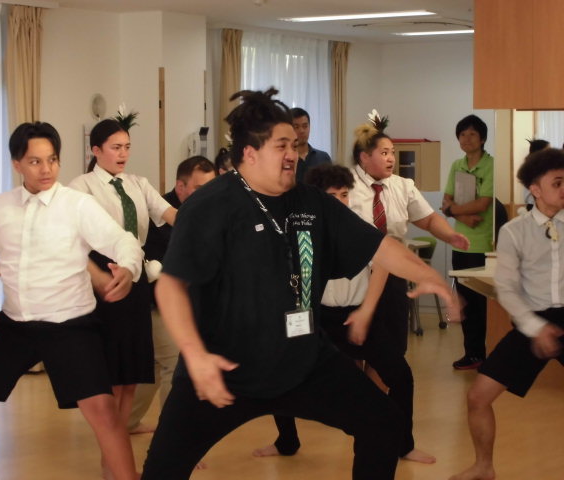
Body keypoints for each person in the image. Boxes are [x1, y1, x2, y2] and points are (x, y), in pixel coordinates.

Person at [140, 88, 459, 480]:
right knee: (162, 471)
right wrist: (195, 355)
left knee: (383, 423)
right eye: (282, 146)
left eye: (294, 144)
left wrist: (429, 275)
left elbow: (378, 246)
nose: (292, 153)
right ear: (250, 153)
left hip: (301, 363)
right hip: (222, 369)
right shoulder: (209, 207)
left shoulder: (311, 202)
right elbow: (170, 287)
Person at [258, 112, 469, 464]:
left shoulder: (358, 226)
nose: (341, 202)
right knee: (286, 375)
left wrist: (366, 312)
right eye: (333, 196)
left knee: (400, 375)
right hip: (318, 318)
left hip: (357, 313)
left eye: (345, 195)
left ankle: (402, 444)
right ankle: (287, 440)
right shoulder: (300, 229)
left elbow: (384, 262)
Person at [0, 122, 142, 480]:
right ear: (17, 164)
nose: (46, 169)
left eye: (52, 160)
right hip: (16, 324)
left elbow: (123, 241)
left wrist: (129, 269)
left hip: (71, 325)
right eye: (35, 161)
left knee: (104, 412)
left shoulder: (77, 205)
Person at [69, 118, 176, 475]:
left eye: (127, 147)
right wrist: (98, 276)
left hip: (136, 276)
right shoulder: (81, 186)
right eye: (115, 147)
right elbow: (73, 239)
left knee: (130, 376)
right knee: (113, 379)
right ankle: (112, 466)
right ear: (96, 150)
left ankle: (114, 465)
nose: (123, 154)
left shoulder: (137, 183)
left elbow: (170, 214)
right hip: (104, 278)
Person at [449, 148, 564, 480]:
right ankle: (484, 467)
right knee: (478, 397)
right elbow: (508, 288)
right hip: (534, 320)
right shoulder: (514, 231)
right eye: (557, 183)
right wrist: (535, 327)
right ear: (535, 189)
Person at [127, 155, 215, 435]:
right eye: (199, 188)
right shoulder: (158, 215)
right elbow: (151, 264)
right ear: (180, 186)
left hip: (185, 301)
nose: (207, 194)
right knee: (173, 362)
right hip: (156, 301)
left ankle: (126, 421)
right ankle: (172, 434)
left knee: (157, 365)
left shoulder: (206, 212)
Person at [442, 115, 494, 370]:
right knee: (464, 303)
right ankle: (472, 353)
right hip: (459, 244)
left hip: (483, 245)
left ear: (482, 138)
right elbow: (445, 201)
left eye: (472, 134)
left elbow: (483, 204)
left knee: (481, 305)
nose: (466, 139)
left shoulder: (491, 165)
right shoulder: (457, 165)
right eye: (462, 134)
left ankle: (484, 354)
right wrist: (463, 216)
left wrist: (454, 210)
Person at [291, 107, 332, 182]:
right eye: (296, 127)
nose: (302, 131)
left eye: (305, 126)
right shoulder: (286, 159)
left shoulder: (323, 157)